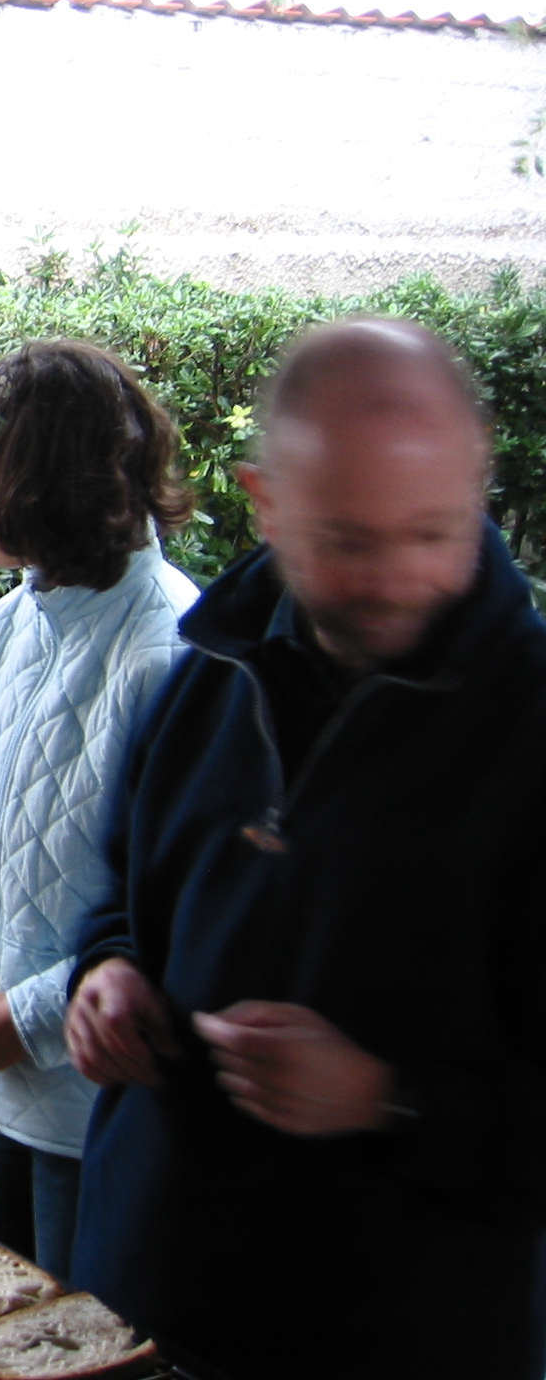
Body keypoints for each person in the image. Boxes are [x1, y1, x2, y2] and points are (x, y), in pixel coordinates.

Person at [65, 319, 546, 1380]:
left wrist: (387, 1096)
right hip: (142, 1304)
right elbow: (122, 902)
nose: (395, 579)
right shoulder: (207, 670)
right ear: (266, 503)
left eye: (433, 533)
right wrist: (109, 974)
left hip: (399, 1336)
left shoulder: (526, 727)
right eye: (348, 542)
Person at [0, 340, 197, 1275]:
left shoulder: (172, 654)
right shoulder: (3, 626)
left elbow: (173, 918)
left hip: (97, 1111)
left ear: (52, 487)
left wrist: (25, 1019)